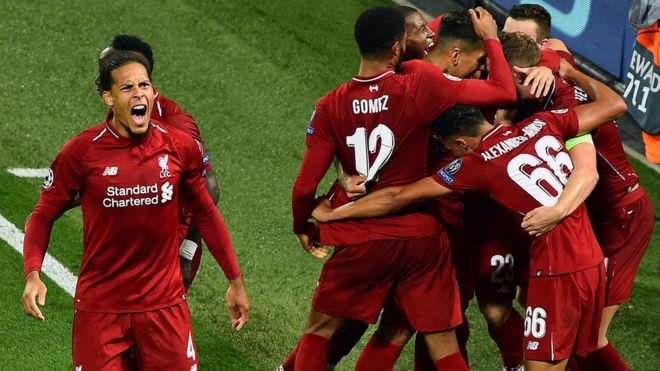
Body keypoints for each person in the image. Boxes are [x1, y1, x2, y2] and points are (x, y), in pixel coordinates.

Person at [313, 60, 627, 371]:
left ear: (461, 142)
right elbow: (614, 104)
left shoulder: (476, 164)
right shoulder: (545, 122)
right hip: (591, 262)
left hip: (556, 269)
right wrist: (571, 73)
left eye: (451, 147)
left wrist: (334, 213)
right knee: (583, 356)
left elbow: (396, 197)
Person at [288, 5, 517, 370]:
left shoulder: (329, 105)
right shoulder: (421, 82)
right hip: (422, 238)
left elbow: (304, 187)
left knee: (321, 330)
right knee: (443, 346)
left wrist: (305, 222)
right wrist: (490, 37)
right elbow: (504, 91)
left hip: (362, 237)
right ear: (398, 47)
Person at [21, 51, 250, 370]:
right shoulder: (82, 152)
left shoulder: (178, 145)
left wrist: (234, 279)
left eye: (144, 84)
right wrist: (33, 273)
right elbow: (43, 214)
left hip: (165, 308)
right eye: (127, 87)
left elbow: (207, 211)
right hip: (101, 311)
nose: (139, 92)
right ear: (108, 98)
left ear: (153, 92)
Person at [504, 6, 656, 369]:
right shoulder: (533, 73)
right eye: (506, 35)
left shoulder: (559, 89)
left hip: (620, 215)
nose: (507, 44)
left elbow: (587, 172)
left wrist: (556, 65)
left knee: (590, 338)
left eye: (521, 40)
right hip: (584, 217)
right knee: (549, 311)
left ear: (540, 47)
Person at [101, 35, 219, 289]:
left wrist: (186, 252)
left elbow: (210, 186)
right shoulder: (123, 110)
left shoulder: (177, 126)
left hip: (170, 247)